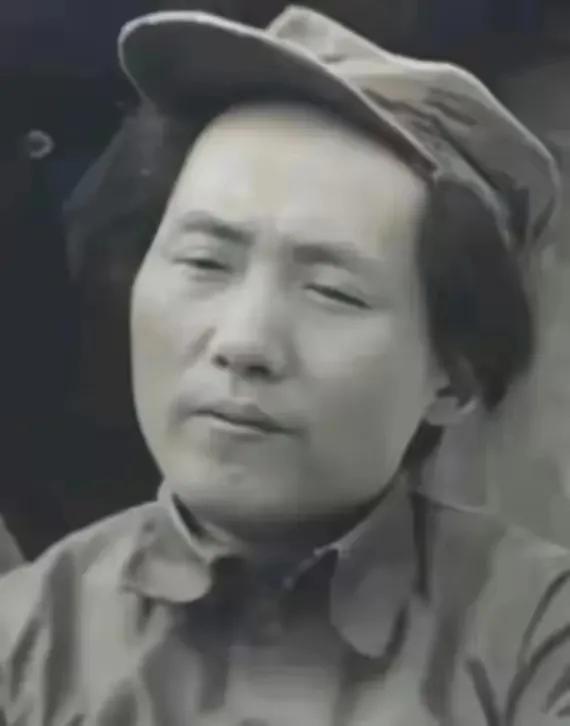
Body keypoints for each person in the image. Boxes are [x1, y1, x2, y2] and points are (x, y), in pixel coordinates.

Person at [0, 6, 568, 725]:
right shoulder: (24, 640)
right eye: (205, 261)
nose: (243, 341)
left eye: (331, 290)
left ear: (453, 374)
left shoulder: (539, 636)